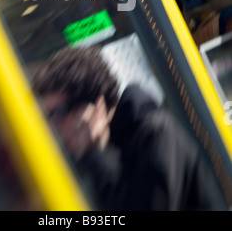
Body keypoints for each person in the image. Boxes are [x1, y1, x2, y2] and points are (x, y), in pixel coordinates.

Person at [32, 46, 228, 211]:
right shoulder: (91, 154)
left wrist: (95, 153)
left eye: (60, 112)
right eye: (48, 116)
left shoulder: (155, 132)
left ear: (96, 106)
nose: (54, 125)